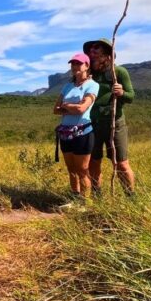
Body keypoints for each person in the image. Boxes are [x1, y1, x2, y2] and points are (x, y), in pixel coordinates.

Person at [83, 38, 135, 194]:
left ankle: (130, 196)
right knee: (94, 161)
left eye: (96, 50)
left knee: (121, 164)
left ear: (107, 54)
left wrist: (122, 93)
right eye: (90, 51)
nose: (92, 53)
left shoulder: (119, 72)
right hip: (93, 124)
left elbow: (131, 97)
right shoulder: (88, 74)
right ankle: (97, 194)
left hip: (115, 124)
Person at [53, 53, 99, 200]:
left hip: (83, 133)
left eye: (78, 63)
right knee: (71, 169)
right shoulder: (67, 86)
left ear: (87, 66)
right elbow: (55, 109)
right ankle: (75, 198)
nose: (74, 67)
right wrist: (71, 106)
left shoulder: (92, 85)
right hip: (66, 134)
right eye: (72, 64)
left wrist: (66, 106)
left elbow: (82, 109)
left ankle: (86, 203)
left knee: (82, 170)